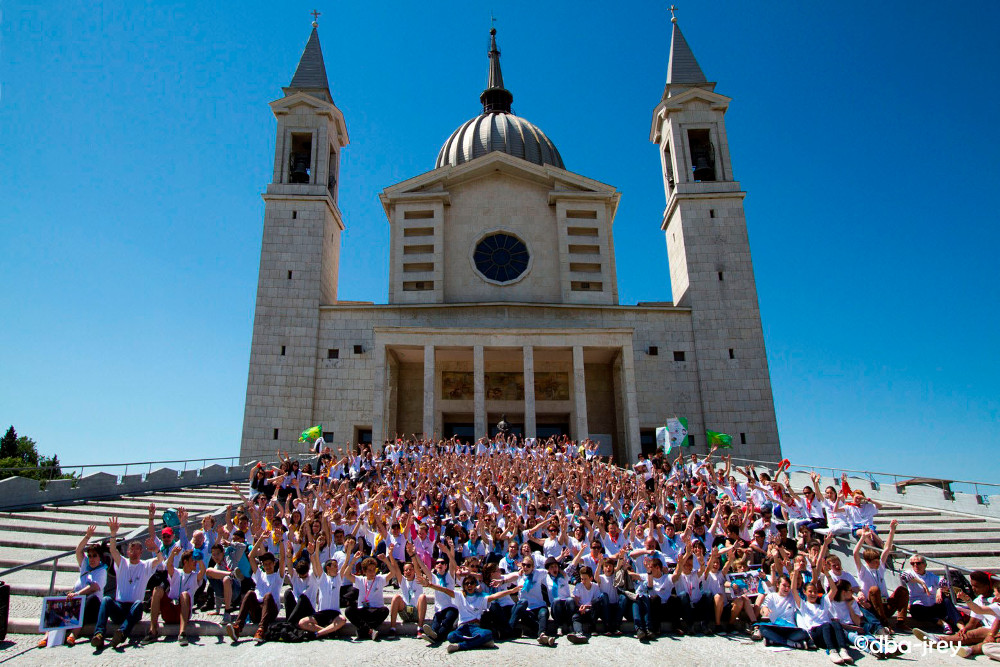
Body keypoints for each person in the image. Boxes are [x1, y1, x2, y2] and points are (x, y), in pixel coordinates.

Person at [92, 516, 164, 649]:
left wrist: (156, 550)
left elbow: (160, 560)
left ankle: (122, 633)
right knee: (106, 599)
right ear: (128, 551)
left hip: (134, 609)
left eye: (137, 549)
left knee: (138, 604)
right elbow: (113, 550)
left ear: (141, 552)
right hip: (119, 607)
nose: (134, 552)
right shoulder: (122, 563)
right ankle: (99, 634)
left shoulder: (145, 565)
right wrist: (113, 534)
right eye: (132, 549)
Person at [421, 573, 515, 653]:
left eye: (472, 583)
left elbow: (494, 596)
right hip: (463, 627)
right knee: (451, 636)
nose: (469, 585)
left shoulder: (481, 597)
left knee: (488, 633)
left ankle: (460, 646)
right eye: (466, 583)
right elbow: (444, 590)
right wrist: (429, 585)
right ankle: (480, 642)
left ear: (475, 585)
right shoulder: (459, 595)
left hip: (475, 627)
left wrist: (511, 591)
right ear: (464, 586)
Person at [225, 532, 284, 643]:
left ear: (274, 564)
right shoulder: (259, 574)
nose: (267, 566)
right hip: (258, 610)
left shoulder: (278, 577)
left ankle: (261, 630)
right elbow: (250, 556)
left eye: (269, 564)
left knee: (268, 596)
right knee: (250, 593)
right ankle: (237, 627)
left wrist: (281, 541)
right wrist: (260, 539)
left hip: (271, 610)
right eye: (265, 564)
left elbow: (283, 559)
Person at [143, 545, 205, 645]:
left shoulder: (195, 576)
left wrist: (200, 559)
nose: (195, 563)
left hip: (183, 611)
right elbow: (169, 565)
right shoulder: (177, 572)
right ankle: (153, 630)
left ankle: (182, 633)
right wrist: (172, 554)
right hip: (170, 610)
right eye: (193, 560)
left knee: (185, 594)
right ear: (185, 561)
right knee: (157, 590)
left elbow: (202, 572)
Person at [791, 567, 854, 664]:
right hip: (817, 634)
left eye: (815, 592)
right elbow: (793, 589)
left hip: (829, 632)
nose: (813, 594)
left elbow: (834, 589)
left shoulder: (823, 602)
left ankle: (843, 650)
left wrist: (827, 574)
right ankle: (832, 651)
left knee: (836, 624)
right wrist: (795, 572)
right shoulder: (803, 605)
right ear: (805, 592)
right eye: (810, 591)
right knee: (826, 625)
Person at [58, 525, 108, 647]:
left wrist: (77, 594)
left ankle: (74, 633)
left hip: (92, 605)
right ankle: (49, 634)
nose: (91, 559)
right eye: (90, 556)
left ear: (100, 557)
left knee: (89, 600)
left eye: (94, 556)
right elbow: (78, 551)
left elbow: (93, 587)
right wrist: (87, 537)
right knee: (59, 597)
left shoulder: (102, 571)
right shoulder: (85, 564)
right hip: (78, 598)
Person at [853, 521, 909, 630]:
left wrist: (892, 530)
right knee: (874, 590)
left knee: (902, 590)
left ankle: (901, 621)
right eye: (875, 562)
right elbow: (855, 553)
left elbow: (887, 549)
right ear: (868, 562)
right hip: (872, 605)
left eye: (878, 561)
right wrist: (863, 537)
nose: (878, 563)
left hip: (885, 603)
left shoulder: (880, 568)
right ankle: (884, 623)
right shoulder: (863, 570)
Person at [297, 541, 351, 638]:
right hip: (322, 612)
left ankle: (318, 633)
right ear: (328, 568)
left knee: (342, 620)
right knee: (302, 622)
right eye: (334, 566)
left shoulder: (338, 578)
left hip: (334, 613)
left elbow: (346, 563)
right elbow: (316, 561)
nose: (337, 568)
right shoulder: (323, 578)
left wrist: (349, 550)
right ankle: (330, 632)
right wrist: (316, 547)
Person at [899, 553, 962, 634]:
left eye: (918, 563)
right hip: (919, 607)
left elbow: (947, 584)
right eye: (912, 563)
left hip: (933, 606)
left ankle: (961, 626)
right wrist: (922, 583)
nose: (915, 565)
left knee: (946, 600)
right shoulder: (910, 573)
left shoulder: (931, 576)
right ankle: (943, 623)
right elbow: (904, 576)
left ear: (925, 565)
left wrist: (939, 590)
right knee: (916, 610)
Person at [505, 555, 555, 646]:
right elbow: (506, 578)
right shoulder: (519, 575)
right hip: (527, 609)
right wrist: (500, 582)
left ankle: (542, 633)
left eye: (528, 565)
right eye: (524, 565)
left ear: (533, 567)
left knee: (543, 613)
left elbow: (551, 570)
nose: (525, 567)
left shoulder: (538, 573)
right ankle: (542, 634)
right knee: (523, 609)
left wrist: (561, 572)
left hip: (539, 605)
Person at [342, 551, 391, 640]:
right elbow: (346, 574)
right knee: (348, 610)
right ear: (364, 571)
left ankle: (363, 631)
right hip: (363, 610)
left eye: (374, 569)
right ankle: (370, 630)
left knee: (385, 610)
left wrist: (386, 561)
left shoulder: (379, 579)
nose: (372, 572)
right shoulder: (360, 580)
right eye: (369, 570)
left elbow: (393, 573)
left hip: (376, 610)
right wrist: (353, 561)